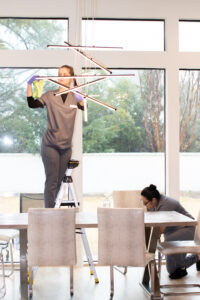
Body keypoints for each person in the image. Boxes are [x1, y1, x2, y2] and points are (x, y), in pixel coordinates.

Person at [27, 65, 84, 208]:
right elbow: (32, 104)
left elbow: (84, 106)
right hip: (50, 144)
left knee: (60, 182)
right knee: (52, 180)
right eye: (59, 74)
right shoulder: (50, 95)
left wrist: (77, 90)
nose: (61, 76)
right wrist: (29, 85)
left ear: (71, 78)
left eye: (65, 74)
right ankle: (49, 214)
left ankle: (55, 211)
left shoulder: (75, 97)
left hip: (66, 147)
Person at [141, 184, 200, 279]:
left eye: (145, 203)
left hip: (187, 229)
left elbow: (159, 231)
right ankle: (183, 267)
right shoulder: (153, 204)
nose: (144, 206)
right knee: (173, 270)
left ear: (154, 200)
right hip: (173, 232)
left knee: (173, 269)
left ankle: (196, 257)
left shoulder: (166, 205)